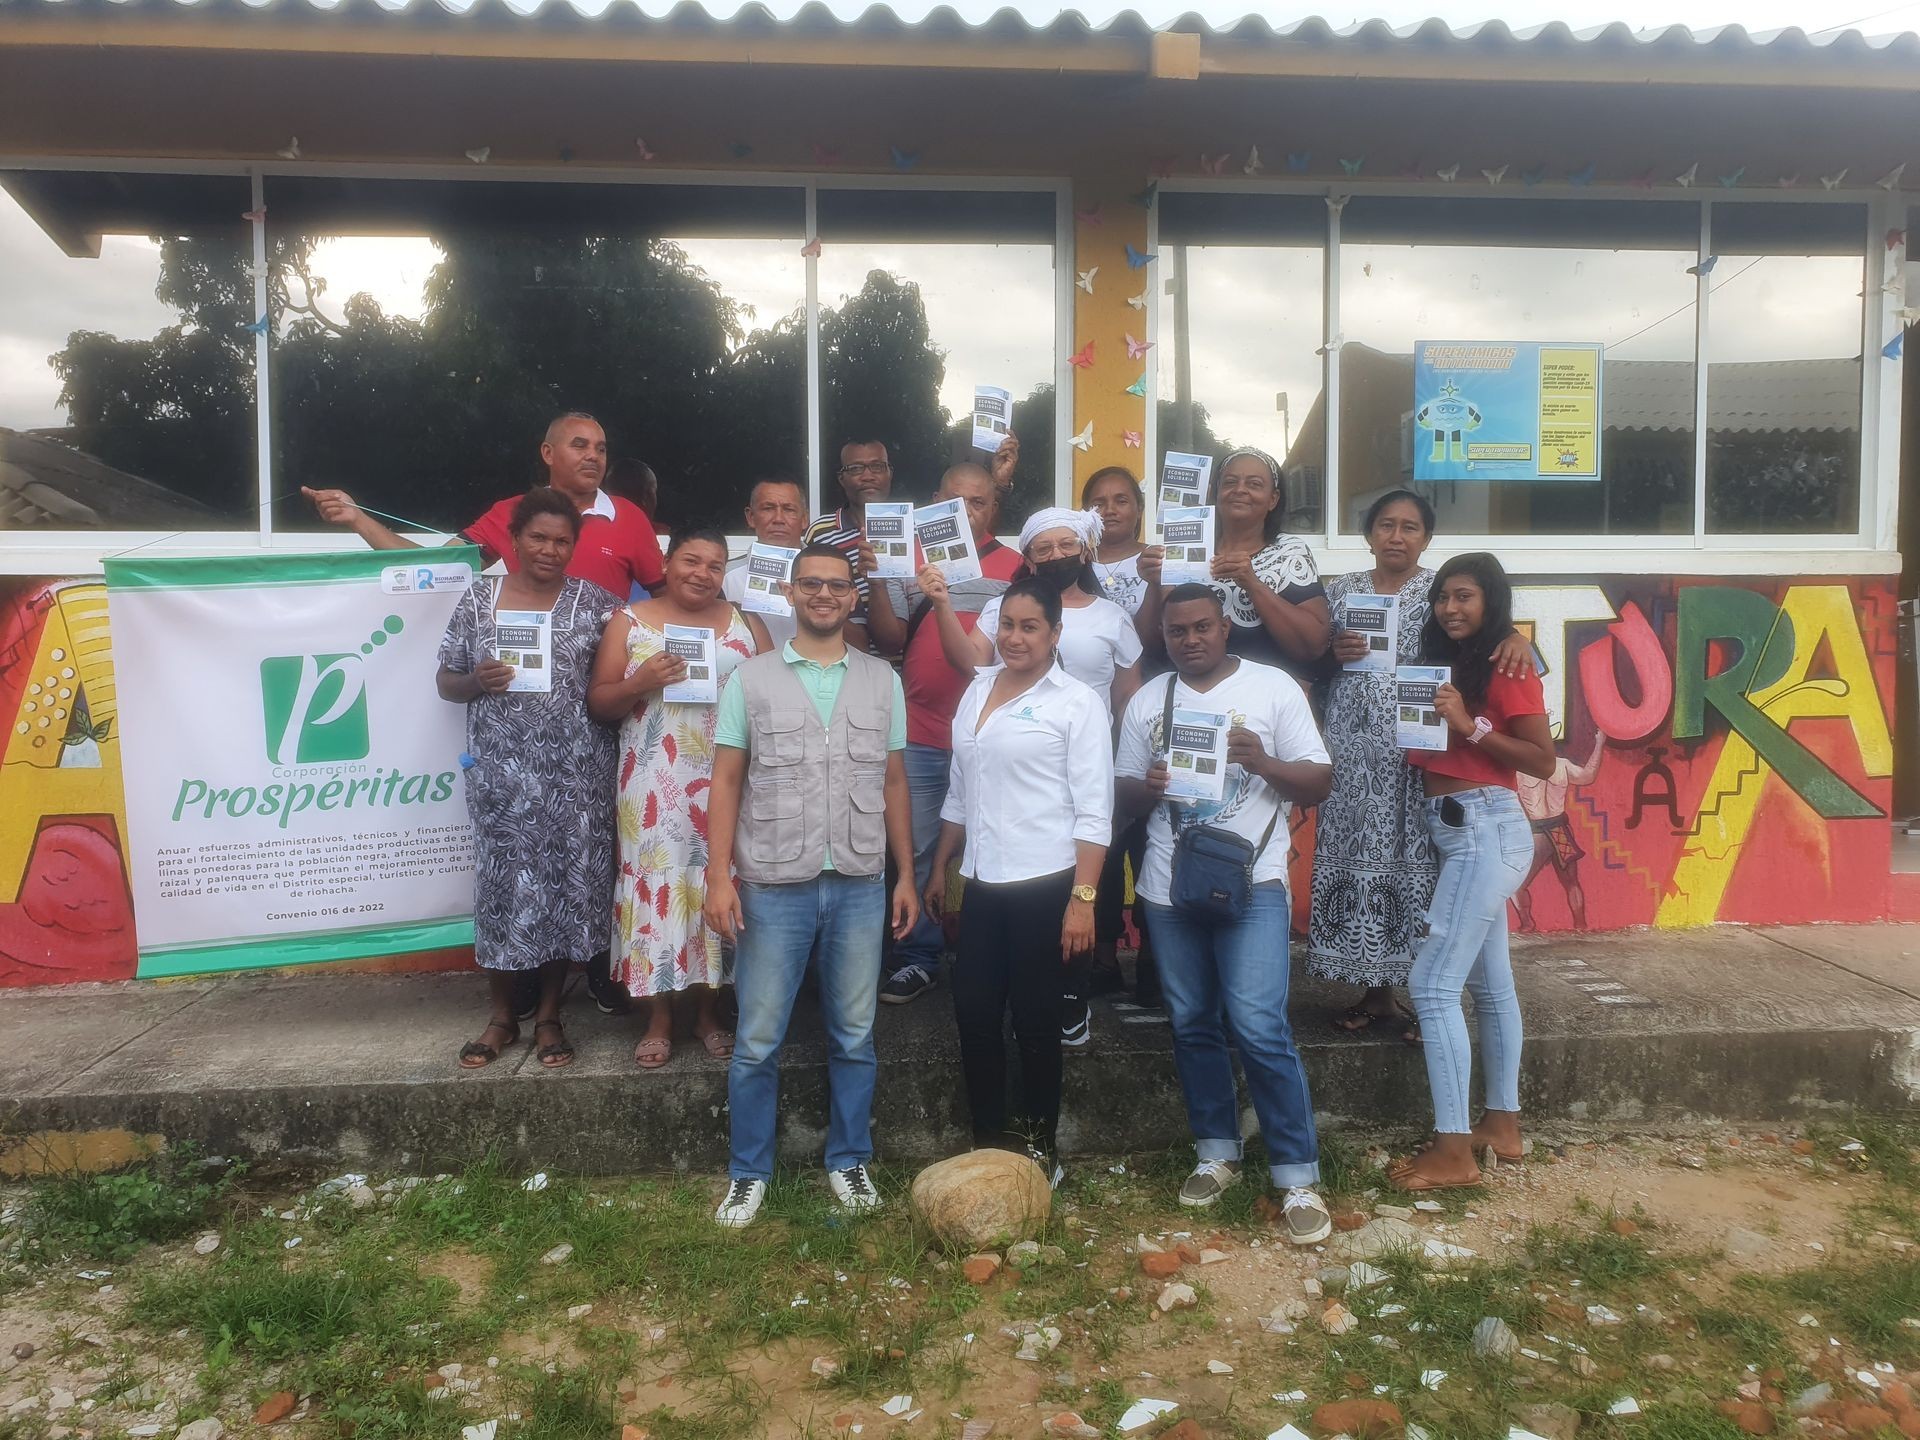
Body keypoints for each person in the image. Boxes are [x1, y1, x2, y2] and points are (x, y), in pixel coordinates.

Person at [702, 544, 918, 1229]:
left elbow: (892, 783)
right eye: (812, 585)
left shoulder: (882, 680)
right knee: (757, 1040)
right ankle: (747, 1173)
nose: (824, 595)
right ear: (791, 594)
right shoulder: (751, 678)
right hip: (771, 881)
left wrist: (907, 873)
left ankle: (849, 1158)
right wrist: (717, 877)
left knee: (855, 1035)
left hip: (859, 881)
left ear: (853, 597)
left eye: (837, 586)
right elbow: (727, 779)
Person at [1114, 584, 1336, 1239]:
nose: (1190, 639)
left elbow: (1321, 780)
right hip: (1167, 885)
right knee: (1191, 1022)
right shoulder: (1149, 701)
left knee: (1260, 1024)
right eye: (1177, 631)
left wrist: (1262, 761)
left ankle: (1297, 1176)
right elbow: (1120, 792)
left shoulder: (1273, 689)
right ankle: (1217, 1153)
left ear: (1226, 625)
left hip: (1254, 882)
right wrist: (1148, 785)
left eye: (1202, 627)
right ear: (1165, 636)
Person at [933, 504, 1142, 1045]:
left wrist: (1129, 766)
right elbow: (973, 673)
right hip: (1013, 763)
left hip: (1084, 755)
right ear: (1026, 556)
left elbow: (1129, 696)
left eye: (1065, 545)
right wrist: (937, 604)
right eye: (1043, 548)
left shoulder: (1110, 619)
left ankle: (1076, 993)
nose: (1056, 556)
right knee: (985, 1003)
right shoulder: (984, 686)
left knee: (1092, 868)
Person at [924, 578, 1111, 1182]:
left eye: (1030, 627)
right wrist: (941, 864)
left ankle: (1040, 1153)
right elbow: (960, 787)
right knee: (974, 1014)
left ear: (1056, 634)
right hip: (981, 883)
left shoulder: (1075, 702)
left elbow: (1094, 811)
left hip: (1046, 884)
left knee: (1034, 1024)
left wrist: (1082, 901)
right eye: (1007, 624)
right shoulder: (977, 687)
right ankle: (989, 1145)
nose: (1015, 637)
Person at [435, 487, 620, 1071]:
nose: (549, 549)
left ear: (575, 546)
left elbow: (616, 679)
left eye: (562, 540)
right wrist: (475, 682)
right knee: (503, 889)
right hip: (503, 777)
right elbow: (446, 679)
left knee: (565, 892)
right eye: (538, 537)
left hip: (577, 776)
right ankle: (499, 1017)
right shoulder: (478, 598)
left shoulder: (597, 604)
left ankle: (548, 1016)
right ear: (514, 540)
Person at [1389, 553, 1557, 1193]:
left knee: (1432, 984)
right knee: (1489, 986)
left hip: (1486, 828)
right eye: (1442, 598)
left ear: (1491, 601)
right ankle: (1501, 1126)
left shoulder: (1506, 666)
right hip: (1459, 829)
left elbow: (1543, 761)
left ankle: (1453, 1152)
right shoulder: (1445, 665)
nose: (1450, 608)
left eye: (1465, 597)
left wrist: (1471, 726)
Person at [589, 530, 770, 1068]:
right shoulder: (632, 620)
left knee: (721, 883)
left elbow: (772, 696)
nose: (702, 573)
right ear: (667, 563)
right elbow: (599, 702)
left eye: (715, 565)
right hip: (655, 782)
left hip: (730, 779)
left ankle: (710, 1011)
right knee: (660, 889)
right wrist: (638, 681)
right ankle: (660, 1016)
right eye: (691, 560)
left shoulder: (746, 623)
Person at [863, 463, 1022, 1006]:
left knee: (997, 847)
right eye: (955, 501)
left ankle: (991, 958)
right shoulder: (910, 560)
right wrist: (882, 576)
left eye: (977, 502)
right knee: (916, 850)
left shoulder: (1015, 566)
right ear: (935, 502)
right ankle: (917, 959)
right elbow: (888, 636)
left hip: (993, 736)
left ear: (992, 509)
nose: (966, 511)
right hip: (923, 732)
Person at [303, 413, 666, 601]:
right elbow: (435, 569)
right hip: (528, 678)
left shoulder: (629, 517)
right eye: (580, 445)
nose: (593, 456)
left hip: (607, 684)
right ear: (548, 454)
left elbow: (666, 597)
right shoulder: (512, 513)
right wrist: (357, 519)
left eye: (600, 448)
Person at [1137, 447, 1331, 684]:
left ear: (1273, 499)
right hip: (1192, 698)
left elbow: (1313, 646)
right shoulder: (1186, 548)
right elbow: (1148, 645)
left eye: (1254, 484)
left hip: (1265, 699)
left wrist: (1253, 584)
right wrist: (1155, 584)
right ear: (1216, 493)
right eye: (1230, 482)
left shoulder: (1289, 552)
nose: (1240, 490)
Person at [1082, 466, 1158, 1006]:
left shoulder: (1159, 558)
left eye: (1121, 500)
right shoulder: (1074, 564)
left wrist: (1157, 582)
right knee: (1100, 846)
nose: (1110, 510)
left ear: (1139, 508)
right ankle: (1104, 956)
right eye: (1099, 502)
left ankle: (1156, 958)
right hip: (1089, 728)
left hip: (1154, 714)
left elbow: (1154, 639)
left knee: (1152, 841)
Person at [803, 437, 896, 651]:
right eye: (855, 469)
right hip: (843, 665)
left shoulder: (913, 529)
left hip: (908, 670)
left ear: (889, 473)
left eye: (877, 466)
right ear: (842, 478)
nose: (867, 476)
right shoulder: (820, 532)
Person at [1513, 732, 1608, 932]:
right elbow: (1587, 776)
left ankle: (1527, 923)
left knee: (1517, 885)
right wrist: (1599, 743)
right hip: (1559, 830)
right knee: (1571, 883)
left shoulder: (1519, 768)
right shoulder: (1562, 765)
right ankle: (1580, 926)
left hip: (1539, 832)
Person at [723, 476, 810, 652]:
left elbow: (854, 642)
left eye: (789, 509)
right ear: (751, 517)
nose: (778, 518)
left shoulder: (828, 573)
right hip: (747, 677)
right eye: (768, 508)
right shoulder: (725, 575)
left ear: (805, 519)